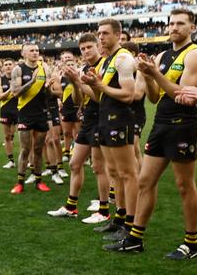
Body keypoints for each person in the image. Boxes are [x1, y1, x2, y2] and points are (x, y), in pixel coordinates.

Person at [106, 8, 197, 259]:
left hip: (183, 124)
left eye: (181, 23)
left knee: (184, 185)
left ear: (192, 27)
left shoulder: (194, 54)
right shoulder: (163, 55)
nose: (174, 27)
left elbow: (183, 95)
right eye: (171, 23)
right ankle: (135, 238)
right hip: (161, 123)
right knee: (145, 181)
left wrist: (154, 73)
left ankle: (191, 242)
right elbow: (154, 96)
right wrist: (148, 76)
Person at [81, 19, 139, 244]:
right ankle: (120, 218)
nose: (101, 37)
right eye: (99, 33)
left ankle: (131, 224)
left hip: (120, 119)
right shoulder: (106, 61)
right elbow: (100, 96)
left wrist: (101, 86)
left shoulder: (123, 58)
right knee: (114, 172)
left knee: (127, 173)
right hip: (105, 119)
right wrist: (91, 84)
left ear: (118, 34)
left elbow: (128, 95)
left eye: (105, 33)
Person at [47, 33, 111, 224]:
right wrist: (76, 83)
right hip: (88, 120)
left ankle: (104, 209)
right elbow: (77, 100)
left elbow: (98, 96)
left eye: (89, 47)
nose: (85, 51)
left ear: (98, 46)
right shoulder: (83, 68)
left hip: (102, 119)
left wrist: (78, 82)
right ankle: (71, 207)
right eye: (82, 49)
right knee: (75, 163)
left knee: (99, 167)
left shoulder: (105, 65)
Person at [10, 43, 51, 194]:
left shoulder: (45, 68)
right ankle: (20, 182)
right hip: (25, 114)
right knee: (25, 149)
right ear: (24, 54)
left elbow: (49, 95)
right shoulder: (18, 69)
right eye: (31, 50)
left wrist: (48, 88)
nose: (35, 53)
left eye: (37, 50)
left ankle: (39, 180)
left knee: (39, 149)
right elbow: (15, 92)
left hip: (41, 113)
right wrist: (32, 82)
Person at [122, 42, 147, 171]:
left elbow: (137, 95)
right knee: (135, 150)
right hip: (123, 113)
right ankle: (142, 180)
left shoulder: (139, 70)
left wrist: (116, 92)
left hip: (136, 114)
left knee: (131, 149)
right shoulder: (122, 68)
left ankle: (136, 181)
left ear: (132, 53)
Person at [0, 58, 18, 169]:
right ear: (3, 67)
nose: (8, 66)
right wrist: (11, 89)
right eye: (6, 64)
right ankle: (11, 161)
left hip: (20, 109)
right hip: (6, 110)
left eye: (10, 64)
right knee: (7, 136)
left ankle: (29, 160)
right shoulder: (0, 80)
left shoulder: (19, 78)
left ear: (14, 65)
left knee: (25, 137)